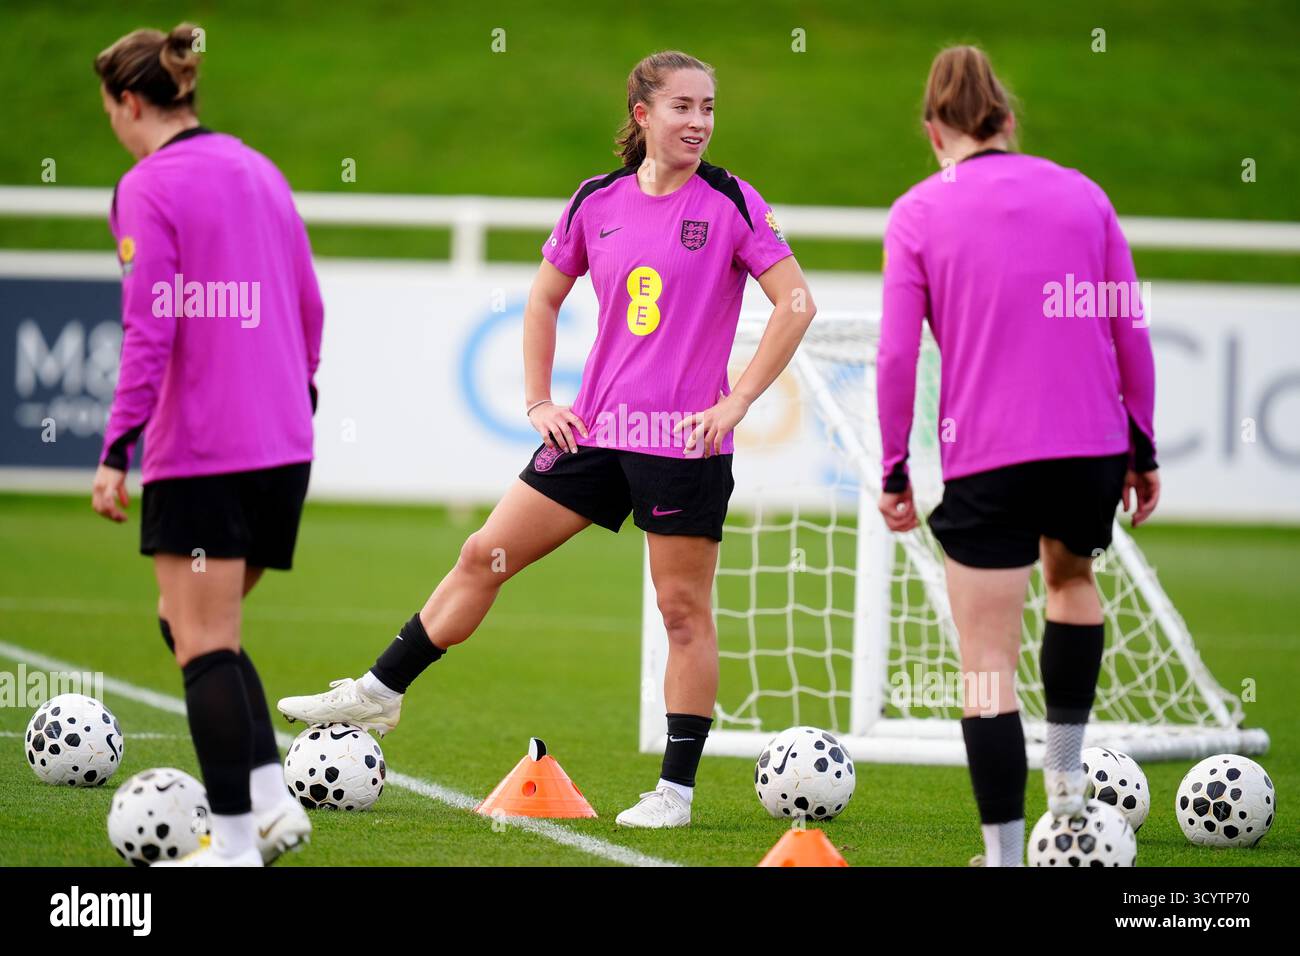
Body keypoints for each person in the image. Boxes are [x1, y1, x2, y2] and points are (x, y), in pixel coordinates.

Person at [277, 50, 816, 828]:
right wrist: (537, 401)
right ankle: (380, 693)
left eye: (708, 108)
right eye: (682, 107)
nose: (699, 122)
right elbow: (542, 298)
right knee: (481, 555)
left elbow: (795, 303)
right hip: (593, 437)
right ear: (642, 115)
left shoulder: (730, 200)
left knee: (683, 614)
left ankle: (674, 793)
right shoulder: (596, 201)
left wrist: (735, 402)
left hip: (683, 447)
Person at [876, 45, 1159, 866]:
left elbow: (898, 356)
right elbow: (1128, 331)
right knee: (1073, 582)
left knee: (985, 661)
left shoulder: (920, 211)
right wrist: (1140, 448)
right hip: (1090, 447)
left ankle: (1003, 855)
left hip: (988, 456)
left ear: (935, 130)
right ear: (1005, 120)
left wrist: (895, 464)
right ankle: (1066, 785)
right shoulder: (1083, 194)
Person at [91, 23, 323, 866]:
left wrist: (118, 446)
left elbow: (149, 325)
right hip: (282, 445)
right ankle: (270, 799)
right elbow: (309, 307)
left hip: (208, 453)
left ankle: (230, 847)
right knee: (189, 625)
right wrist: (297, 405)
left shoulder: (146, 186)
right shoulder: (259, 169)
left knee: (205, 641)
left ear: (129, 101)